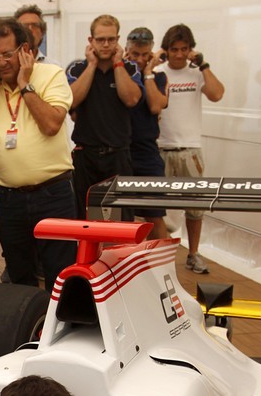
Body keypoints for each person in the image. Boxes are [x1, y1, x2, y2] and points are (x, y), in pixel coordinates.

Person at [0, 17, 77, 292]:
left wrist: (25, 85)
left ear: (25, 50)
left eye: (7, 54)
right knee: (18, 273)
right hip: (9, 198)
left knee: (60, 274)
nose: (1, 62)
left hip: (53, 194)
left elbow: (51, 125)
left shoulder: (51, 75)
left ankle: (61, 320)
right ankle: (30, 319)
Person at [157, 23, 225, 274]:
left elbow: (217, 94)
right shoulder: (157, 72)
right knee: (156, 208)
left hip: (190, 149)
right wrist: (153, 62)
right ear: (166, 49)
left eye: (184, 49)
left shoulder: (196, 73)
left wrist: (204, 65)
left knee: (195, 208)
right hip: (161, 147)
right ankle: (159, 259)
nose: (179, 54)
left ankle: (193, 254)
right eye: (174, 49)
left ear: (190, 50)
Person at [68, 15, 141, 218]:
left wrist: (118, 64)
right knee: (85, 218)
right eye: (100, 40)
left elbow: (131, 99)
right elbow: (71, 101)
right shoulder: (77, 68)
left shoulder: (130, 68)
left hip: (118, 155)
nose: (106, 44)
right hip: (86, 155)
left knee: (122, 220)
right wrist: (92, 65)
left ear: (118, 40)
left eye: (111, 39)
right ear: (90, 41)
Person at [122, 27, 170, 238]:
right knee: (122, 217)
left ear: (151, 54)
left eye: (144, 55)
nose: (139, 59)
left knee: (155, 216)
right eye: (135, 54)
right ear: (126, 51)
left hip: (147, 155)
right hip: (121, 152)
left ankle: (162, 259)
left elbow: (155, 106)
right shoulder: (119, 76)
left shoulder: (159, 78)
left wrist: (148, 72)